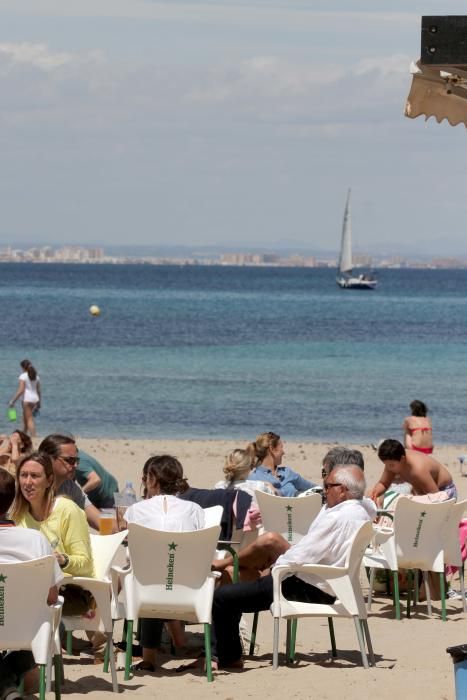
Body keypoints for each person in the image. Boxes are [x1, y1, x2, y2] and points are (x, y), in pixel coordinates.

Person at [205, 466, 374, 670]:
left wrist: (274, 569)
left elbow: (303, 555)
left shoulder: (337, 517)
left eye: (328, 487)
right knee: (238, 586)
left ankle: (226, 657)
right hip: (328, 584)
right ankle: (227, 652)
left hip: (306, 586)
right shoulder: (361, 511)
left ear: (343, 490)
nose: (324, 491)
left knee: (222, 597)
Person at [123, 454, 205, 672]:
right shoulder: (195, 509)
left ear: (152, 480)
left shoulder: (135, 510)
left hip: (147, 591)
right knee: (165, 569)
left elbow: (131, 553)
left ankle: (149, 657)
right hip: (189, 591)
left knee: (149, 572)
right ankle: (180, 640)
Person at [0, 468, 63, 700]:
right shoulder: (35, 541)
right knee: (37, 632)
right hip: (29, 636)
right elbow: (52, 597)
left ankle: (6, 689)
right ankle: (7, 689)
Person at [11, 451, 95, 614]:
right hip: (28, 589)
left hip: (70, 591)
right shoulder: (17, 515)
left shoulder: (67, 510)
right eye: (23, 475)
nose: (28, 482)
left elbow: (86, 564)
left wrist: (62, 560)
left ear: (49, 480)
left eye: (35, 476)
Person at [39, 434, 102, 531]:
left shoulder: (69, 487)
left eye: (77, 460)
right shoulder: (33, 487)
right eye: (70, 460)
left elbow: (98, 521)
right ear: (48, 459)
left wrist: (125, 529)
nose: (76, 465)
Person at [369, 439, 456, 503]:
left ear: (402, 459)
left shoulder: (418, 469)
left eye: (391, 465)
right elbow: (384, 483)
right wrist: (375, 493)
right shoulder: (393, 461)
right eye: (386, 464)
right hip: (425, 493)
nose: (389, 468)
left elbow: (437, 498)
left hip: (444, 491)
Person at [246, 431, 316, 497]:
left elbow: (313, 488)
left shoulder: (287, 472)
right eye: (281, 447)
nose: (283, 452)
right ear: (272, 449)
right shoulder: (253, 479)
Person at [8, 359, 41, 437]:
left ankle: (34, 436)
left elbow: (21, 390)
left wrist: (13, 400)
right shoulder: (36, 376)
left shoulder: (23, 376)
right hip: (35, 399)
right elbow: (38, 390)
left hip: (27, 399)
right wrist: (39, 403)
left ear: (23, 367)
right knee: (25, 418)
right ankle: (24, 434)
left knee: (29, 419)